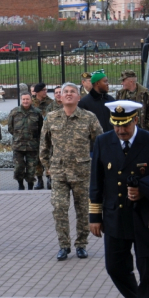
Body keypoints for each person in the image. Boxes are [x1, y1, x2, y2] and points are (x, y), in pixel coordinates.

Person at [90, 101, 149, 298]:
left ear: (136, 120)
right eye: (116, 125)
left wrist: (143, 190)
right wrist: (95, 216)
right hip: (116, 214)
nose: (121, 130)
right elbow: (96, 181)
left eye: (125, 125)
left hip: (144, 216)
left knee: (148, 268)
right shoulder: (103, 141)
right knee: (115, 267)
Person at [40, 82, 103, 260]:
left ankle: (81, 244)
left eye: (72, 92)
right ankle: (64, 245)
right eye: (65, 91)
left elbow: (101, 143)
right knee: (59, 207)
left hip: (82, 173)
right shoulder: (51, 118)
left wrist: (97, 167)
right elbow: (44, 145)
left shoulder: (88, 118)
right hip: (59, 172)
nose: (68, 94)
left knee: (83, 210)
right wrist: (48, 166)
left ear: (78, 97)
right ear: (60, 97)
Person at [7, 92, 43, 190]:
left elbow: (41, 128)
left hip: (32, 146)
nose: (25, 101)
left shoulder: (37, 112)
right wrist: (19, 136)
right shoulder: (14, 112)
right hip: (18, 145)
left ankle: (30, 186)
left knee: (31, 168)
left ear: (31, 100)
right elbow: (10, 128)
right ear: (21, 100)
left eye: (27, 99)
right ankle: (20, 185)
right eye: (23, 99)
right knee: (19, 167)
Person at [31, 83, 54, 189]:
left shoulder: (50, 103)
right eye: (43, 90)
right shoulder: (31, 103)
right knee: (37, 159)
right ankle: (39, 180)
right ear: (38, 92)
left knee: (48, 157)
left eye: (46, 90)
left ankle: (49, 178)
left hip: (47, 135)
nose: (45, 92)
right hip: (35, 135)